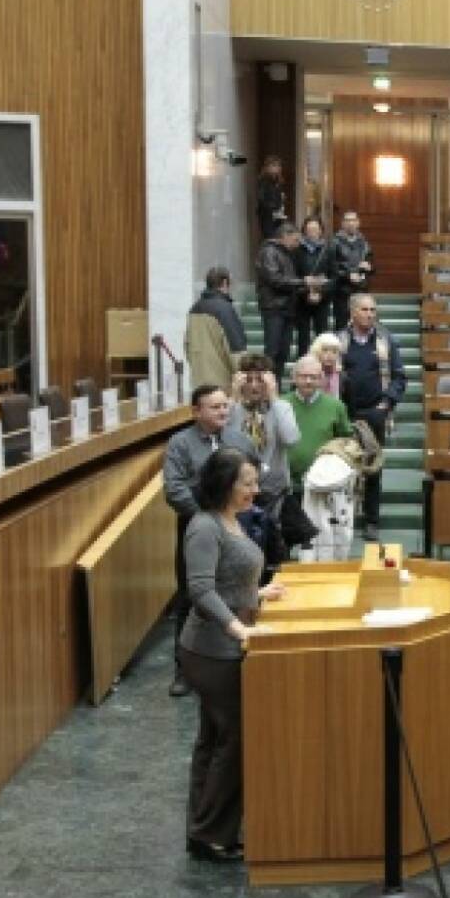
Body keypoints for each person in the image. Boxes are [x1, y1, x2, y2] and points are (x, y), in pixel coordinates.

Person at [179, 446, 286, 862]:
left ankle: (203, 828)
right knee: (234, 741)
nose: (255, 491)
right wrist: (238, 625)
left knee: (213, 740)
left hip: (224, 643)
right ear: (225, 483)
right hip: (212, 650)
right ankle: (212, 833)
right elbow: (201, 590)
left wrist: (256, 593)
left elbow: (226, 581)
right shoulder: (204, 526)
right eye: (248, 483)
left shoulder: (231, 521)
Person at [162, 386, 257, 698]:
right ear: (196, 411)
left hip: (237, 525)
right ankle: (184, 669)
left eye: (225, 406)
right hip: (197, 527)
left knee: (236, 586)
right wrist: (211, 515)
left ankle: (237, 647)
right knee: (193, 594)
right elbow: (175, 489)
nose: (222, 412)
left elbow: (255, 476)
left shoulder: (240, 441)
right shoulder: (180, 443)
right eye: (214, 407)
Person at [340, 294, 406, 542]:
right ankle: (343, 518)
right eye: (365, 309)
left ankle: (371, 521)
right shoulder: (339, 341)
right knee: (343, 467)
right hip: (344, 412)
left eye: (373, 310)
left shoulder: (386, 340)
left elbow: (399, 377)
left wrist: (386, 403)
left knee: (373, 469)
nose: (370, 314)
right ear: (353, 312)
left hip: (375, 413)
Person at [227, 353, 299, 523]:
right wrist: (234, 396)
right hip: (238, 490)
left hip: (274, 490)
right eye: (249, 380)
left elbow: (291, 439)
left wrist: (274, 396)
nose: (254, 386)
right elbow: (227, 443)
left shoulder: (282, 407)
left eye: (259, 380)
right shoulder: (233, 408)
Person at [284, 354, 352, 493]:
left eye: (313, 377)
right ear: (294, 378)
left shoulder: (336, 406)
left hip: (325, 485)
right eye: (303, 376)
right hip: (287, 485)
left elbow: (345, 441)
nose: (308, 381)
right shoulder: (281, 404)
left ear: (321, 379)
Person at [255, 222, 306, 382]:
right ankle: (267, 385)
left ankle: (274, 386)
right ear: (285, 236)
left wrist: (305, 286)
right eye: (295, 240)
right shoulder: (269, 252)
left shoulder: (286, 254)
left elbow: (287, 281)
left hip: (287, 308)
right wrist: (302, 282)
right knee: (273, 351)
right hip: (273, 307)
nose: (298, 244)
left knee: (283, 352)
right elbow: (274, 279)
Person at [185, 266, 247, 392]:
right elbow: (235, 348)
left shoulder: (194, 309)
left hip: (199, 382)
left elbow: (187, 345)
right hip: (222, 384)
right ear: (224, 282)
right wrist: (244, 374)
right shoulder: (225, 310)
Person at [292, 216, 333, 359]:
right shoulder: (296, 250)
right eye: (309, 229)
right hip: (302, 299)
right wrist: (305, 290)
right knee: (303, 338)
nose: (312, 232)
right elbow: (293, 275)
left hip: (322, 300)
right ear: (304, 231)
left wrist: (321, 292)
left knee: (322, 336)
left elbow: (333, 276)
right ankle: (302, 369)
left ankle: (322, 369)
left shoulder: (328, 249)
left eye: (315, 229)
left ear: (321, 231)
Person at [330, 211, 375, 332]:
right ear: (343, 224)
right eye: (347, 220)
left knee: (363, 326)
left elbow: (372, 266)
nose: (351, 223)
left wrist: (369, 267)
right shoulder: (334, 242)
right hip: (342, 292)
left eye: (353, 220)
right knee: (343, 328)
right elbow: (331, 268)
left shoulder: (364, 243)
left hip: (361, 290)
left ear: (358, 223)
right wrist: (348, 275)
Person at [254, 156, 287, 241]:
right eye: (274, 165)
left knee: (278, 237)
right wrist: (273, 208)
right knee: (270, 238)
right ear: (268, 167)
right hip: (267, 214)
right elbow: (261, 199)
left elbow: (278, 196)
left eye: (279, 166)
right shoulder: (263, 180)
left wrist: (281, 199)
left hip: (278, 214)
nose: (277, 168)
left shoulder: (278, 180)